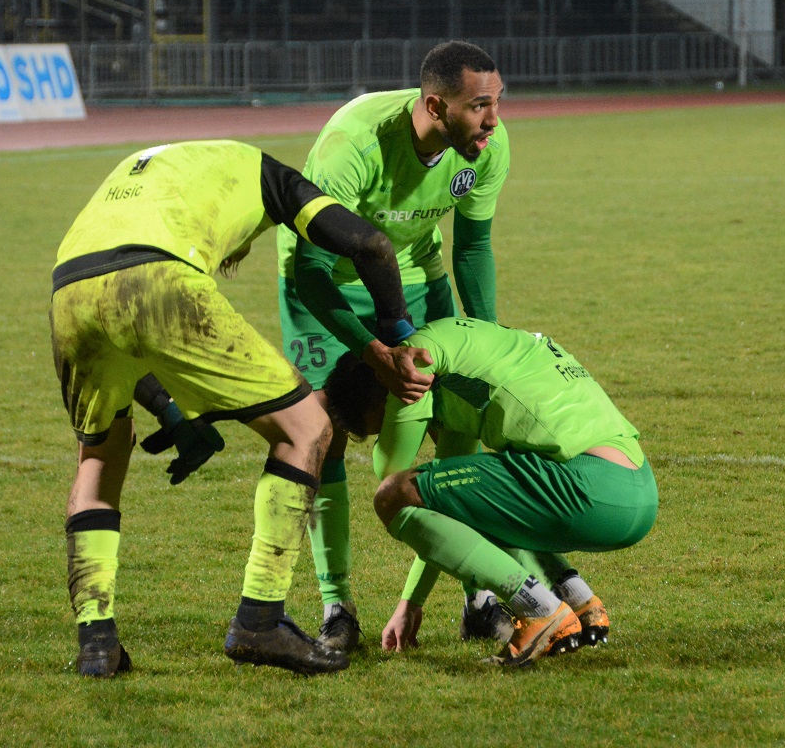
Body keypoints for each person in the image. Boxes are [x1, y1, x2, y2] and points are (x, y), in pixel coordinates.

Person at [49, 139, 432, 678]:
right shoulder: (266, 172)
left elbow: (114, 304)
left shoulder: (154, 167)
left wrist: (170, 409)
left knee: (100, 457)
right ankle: (260, 618)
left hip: (69, 290)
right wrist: (395, 335)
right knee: (308, 429)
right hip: (158, 277)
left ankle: (97, 644)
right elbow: (370, 245)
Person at [276, 41, 513, 650]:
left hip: (414, 276)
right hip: (325, 285)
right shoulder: (352, 147)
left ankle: (478, 592)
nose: (494, 119)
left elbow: (471, 247)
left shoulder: (484, 149)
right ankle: (337, 607)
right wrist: (371, 351)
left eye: (498, 101)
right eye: (479, 105)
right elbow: (310, 270)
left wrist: (484, 342)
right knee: (320, 435)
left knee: (462, 421)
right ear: (435, 105)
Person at [322, 317, 659, 667]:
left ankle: (541, 609)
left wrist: (396, 405)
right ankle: (574, 597)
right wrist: (411, 602)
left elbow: (390, 468)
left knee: (391, 494)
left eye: (383, 421)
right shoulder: (465, 360)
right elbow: (455, 509)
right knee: (472, 499)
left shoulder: (415, 362)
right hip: (636, 489)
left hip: (589, 489)